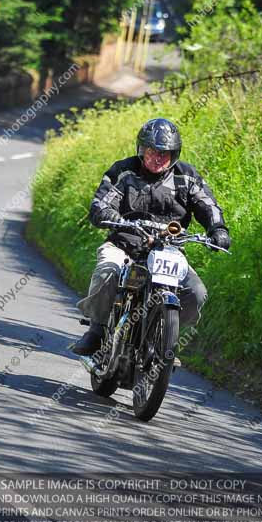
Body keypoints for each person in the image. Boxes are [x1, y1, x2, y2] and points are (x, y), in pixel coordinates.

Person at [71, 117, 230, 356]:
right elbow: (101, 203)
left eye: (164, 154)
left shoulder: (186, 176)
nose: (158, 158)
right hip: (125, 244)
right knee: (108, 271)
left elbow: (207, 204)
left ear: (174, 154)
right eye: (152, 152)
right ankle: (98, 329)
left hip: (169, 250)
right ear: (141, 149)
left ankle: (162, 333)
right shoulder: (123, 171)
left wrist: (218, 229)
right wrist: (110, 216)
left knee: (196, 293)